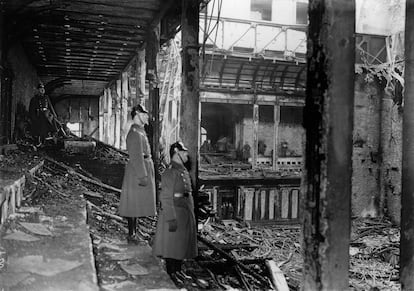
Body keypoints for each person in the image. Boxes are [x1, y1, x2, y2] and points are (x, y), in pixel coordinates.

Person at [153, 141, 198, 275]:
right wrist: (171, 218)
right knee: (172, 246)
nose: (186, 155)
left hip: (184, 211)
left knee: (180, 245)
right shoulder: (170, 172)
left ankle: (177, 271)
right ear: (177, 153)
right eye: (184, 152)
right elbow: (166, 198)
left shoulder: (182, 170)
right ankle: (171, 273)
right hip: (175, 212)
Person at [119, 104, 156, 244]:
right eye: (145, 114)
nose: (147, 117)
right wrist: (142, 175)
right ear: (137, 114)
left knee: (137, 202)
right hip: (136, 171)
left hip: (141, 168)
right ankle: (132, 234)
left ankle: (135, 231)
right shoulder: (134, 133)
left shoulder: (140, 131)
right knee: (133, 203)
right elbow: (136, 156)